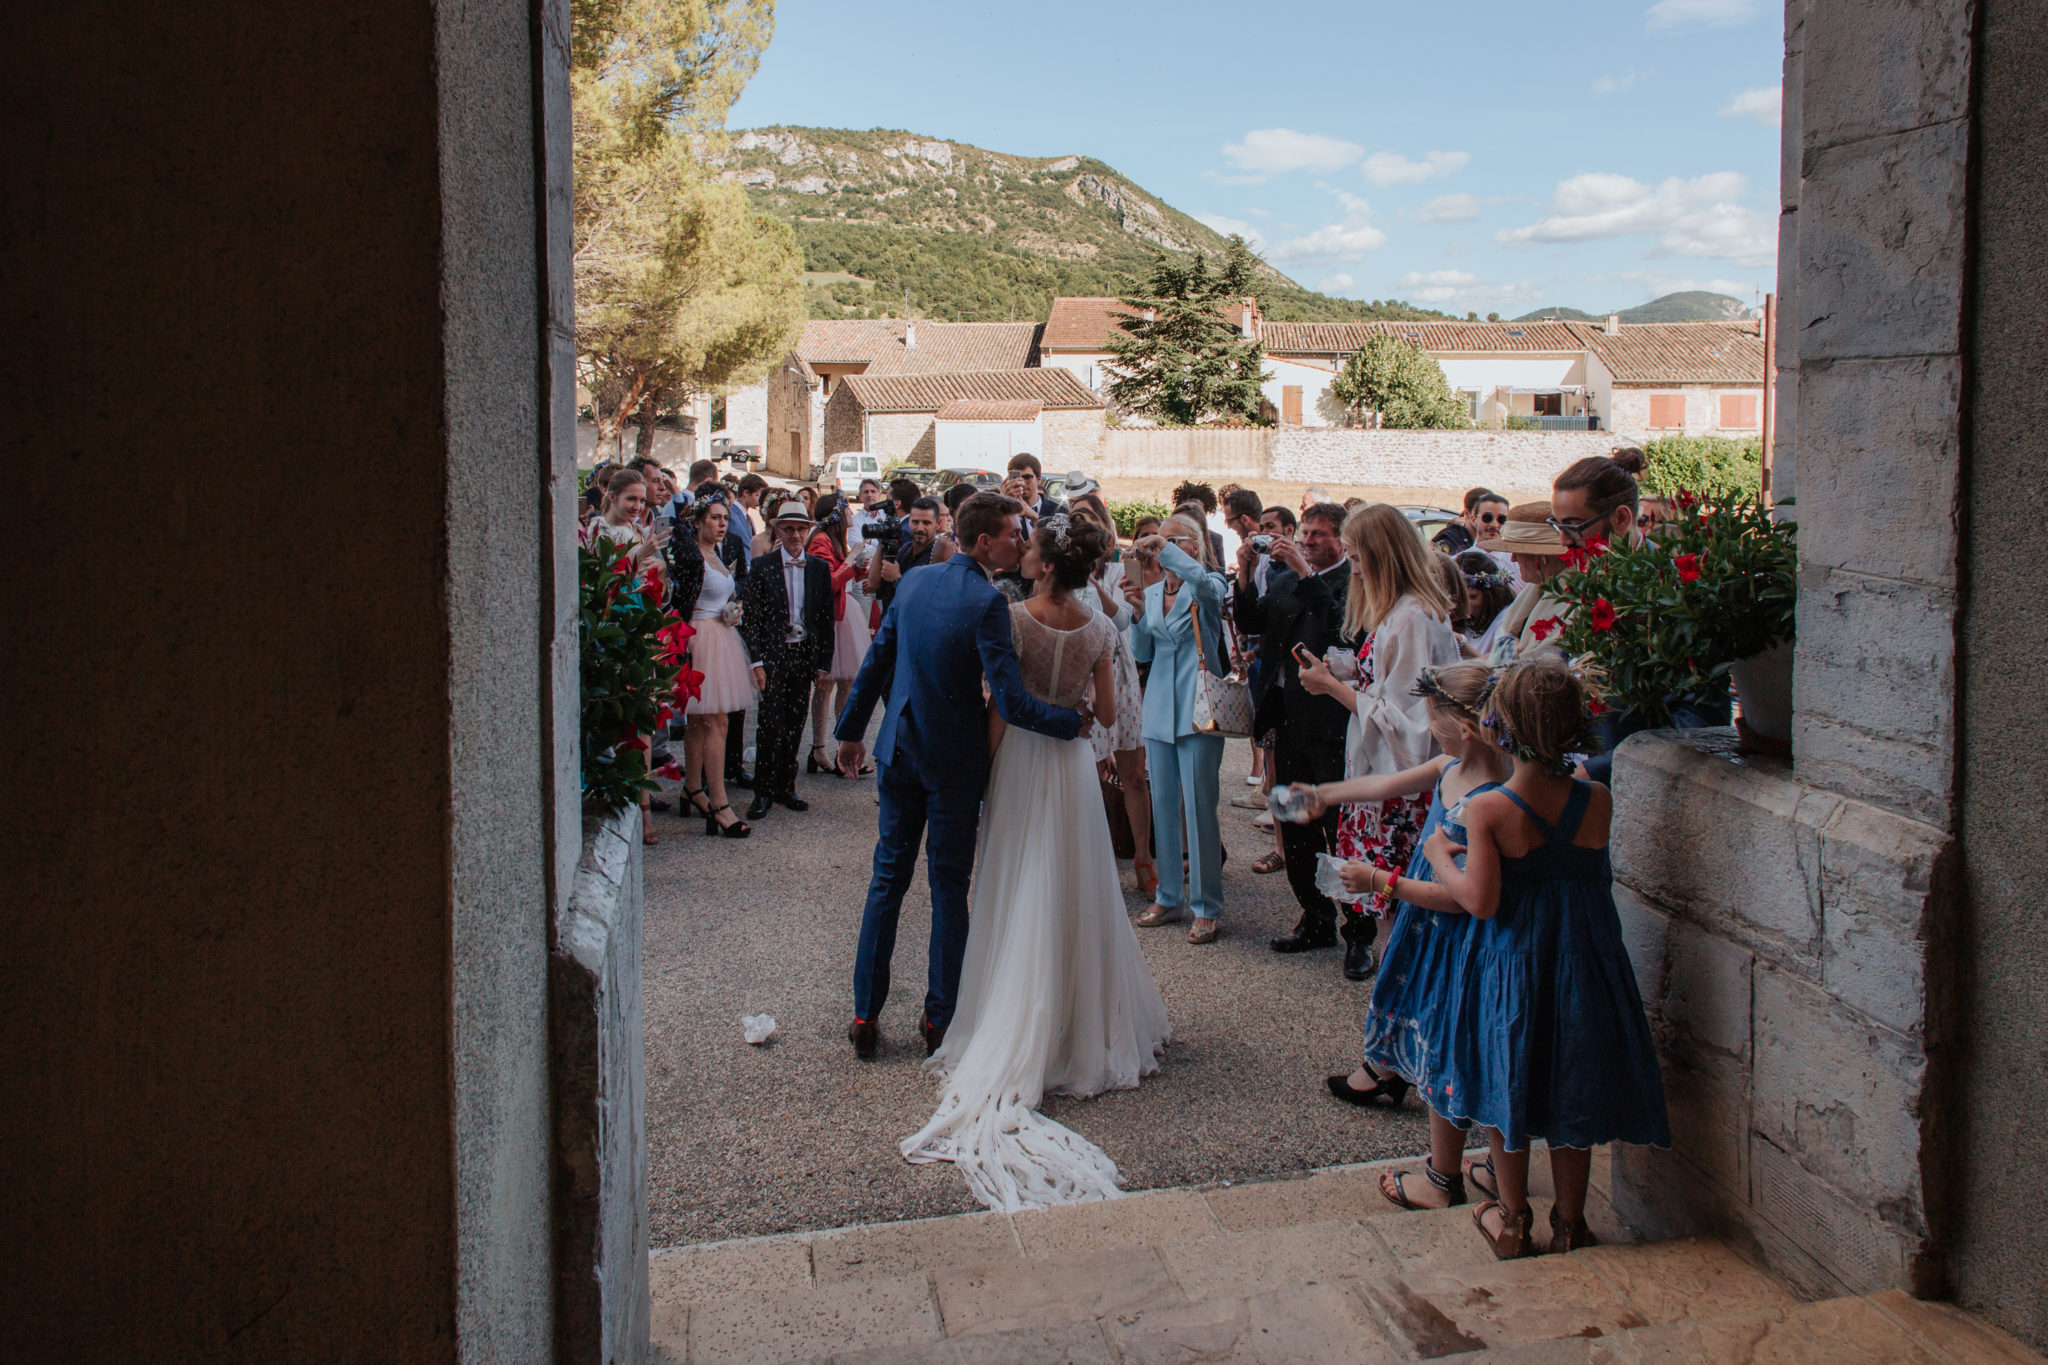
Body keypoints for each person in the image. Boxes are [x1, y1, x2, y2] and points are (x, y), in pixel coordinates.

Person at [901, 513, 1170, 1212]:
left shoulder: (1017, 619)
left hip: (1023, 759)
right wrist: (1080, 700)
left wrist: (987, 778)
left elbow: (1001, 711)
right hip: (1073, 765)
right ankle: (1080, 1026)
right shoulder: (1100, 629)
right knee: (1076, 889)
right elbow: (1107, 713)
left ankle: (1019, 1022)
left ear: (1047, 565)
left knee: (1018, 882)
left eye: (1031, 549)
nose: (1021, 554)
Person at [1417, 656, 1672, 1259]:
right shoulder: (1599, 799)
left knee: (1510, 1089)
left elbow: (1480, 900)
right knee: (1570, 1089)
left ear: (1502, 728)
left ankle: (1511, 1219)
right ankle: (1571, 1221)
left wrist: (1438, 857)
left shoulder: (1489, 810)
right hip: (1583, 961)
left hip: (1512, 964)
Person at [837, 493, 1089, 1060]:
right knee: (949, 889)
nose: (1021, 543)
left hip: (898, 749)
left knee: (886, 883)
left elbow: (879, 659)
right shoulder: (987, 602)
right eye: (1012, 535)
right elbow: (1013, 701)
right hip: (952, 764)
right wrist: (1070, 721)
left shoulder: (918, 582)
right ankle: (939, 1020)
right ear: (983, 543)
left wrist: (852, 731)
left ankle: (864, 1015)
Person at [1283, 664, 1513, 1216]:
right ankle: (1474, 1172)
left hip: (1459, 937)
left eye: (1435, 721)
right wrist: (1324, 794)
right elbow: (1385, 784)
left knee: (1452, 1047)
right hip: (1429, 926)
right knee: (1444, 1043)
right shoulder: (1451, 766)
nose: (1428, 730)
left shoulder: (1490, 793)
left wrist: (1380, 882)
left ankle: (1444, 1178)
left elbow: (1465, 898)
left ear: (1467, 728)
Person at [1296, 504, 1460, 979]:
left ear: (1383, 556)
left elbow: (1408, 724)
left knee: (1398, 908)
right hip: (1386, 776)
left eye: (1357, 558)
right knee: (1390, 909)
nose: (1354, 570)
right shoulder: (1401, 611)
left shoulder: (1411, 617)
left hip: (1401, 786)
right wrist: (1348, 671)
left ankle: (1396, 999)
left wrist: (1332, 687)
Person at [1549, 448, 1731, 781]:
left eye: (1574, 526)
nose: (1563, 540)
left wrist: (1596, 770)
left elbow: (1698, 725)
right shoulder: (1588, 582)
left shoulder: (1676, 597)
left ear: (1621, 518)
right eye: (1558, 525)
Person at [1235, 502, 1355, 957]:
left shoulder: (1351, 583)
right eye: (1305, 532)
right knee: (1296, 824)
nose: (1308, 539)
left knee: (1337, 828)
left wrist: (1308, 572)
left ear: (1341, 539)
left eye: (1319, 533)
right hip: (1285, 720)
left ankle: (1358, 931)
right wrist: (1245, 575)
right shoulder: (1283, 576)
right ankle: (1315, 916)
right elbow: (1251, 623)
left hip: (1330, 725)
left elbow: (1340, 633)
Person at [1127, 511, 1231, 943]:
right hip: (1159, 709)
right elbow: (1143, 651)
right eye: (1156, 541)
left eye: (1171, 541)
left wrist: (1162, 546)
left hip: (1199, 707)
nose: (1159, 547)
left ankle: (1206, 905)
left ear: (1194, 545)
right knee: (1164, 806)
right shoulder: (1154, 593)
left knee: (1199, 807)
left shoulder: (1209, 585)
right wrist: (1135, 614)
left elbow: (1207, 589)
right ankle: (1168, 895)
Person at [1068, 495, 1156, 895]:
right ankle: (1095, 865)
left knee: (1134, 773)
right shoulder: (1061, 571)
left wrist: (1089, 581)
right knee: (1089, 775)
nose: (1082, 527)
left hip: (1119, 672)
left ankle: (1142, 856)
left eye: (1087, 519)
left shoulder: (1124, 566)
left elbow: (1124, 619)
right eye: (1075, 521)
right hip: (1082, 677)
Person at [581, 466, 673, 842]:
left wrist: (659, 571)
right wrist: (641, 557)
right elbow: (601, 585)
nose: (637, 506)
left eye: (640, 499)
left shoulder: (637, 531)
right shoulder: (597, 532)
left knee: (642, 721)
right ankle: (617, 802)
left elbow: (654, 584)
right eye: (630, 499)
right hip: (612, 630)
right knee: (616, 719)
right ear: (612, 497)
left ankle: (642, 811)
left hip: (639, 625)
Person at [739, 501, 835, 821]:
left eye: (800, 529)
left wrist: (823, 664)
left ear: (808, 532)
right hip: (773, 654)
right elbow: (750, 618)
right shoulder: (763, 565)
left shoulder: (819, 569)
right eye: (789, 528)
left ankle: (785, 785)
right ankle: (763, 791)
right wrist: (756, 661)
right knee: (770, 724)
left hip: (803, 653)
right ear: (777, 530)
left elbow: (824, 619)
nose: (795, 534)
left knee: (795, 723)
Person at [668, 493, 756, 838]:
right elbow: (682, 599)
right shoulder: (690, 554)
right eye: (715, 518)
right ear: (699, 521)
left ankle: (693, 787)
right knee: (715, 720)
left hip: (722, 634)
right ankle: (719, 803)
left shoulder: (719, 553)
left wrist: (734, 611)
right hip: (699, 637)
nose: (722, 524)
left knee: (702, 721)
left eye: (724, 518)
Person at [805, 492, 872, 778]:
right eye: (846, 508)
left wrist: (860, 569)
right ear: (836, 513)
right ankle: (818, 748)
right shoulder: (820, 539)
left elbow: (844, 576)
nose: (851, 513)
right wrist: (853, 560)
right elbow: (827, 583)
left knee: (847, 683)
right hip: (831, 619)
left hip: (846, 614)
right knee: (825, 684)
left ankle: (842, 746)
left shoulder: (835, 539)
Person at [1477, 503, 1573, 661]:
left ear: (1540, 557)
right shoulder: (1535, 591)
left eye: (1517, 552)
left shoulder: (1571, 604)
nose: (1513, 558)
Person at [865, 496, 946, 608]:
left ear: (938, 524)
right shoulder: (904, 550)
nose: (920, 528)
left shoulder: (938, 555)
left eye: (926, 523)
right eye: (915, 522)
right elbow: (874, 582)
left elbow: (925, 600)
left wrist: (896, 578)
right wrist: (882, 541)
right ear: (908, 522)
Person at [1454, 550, 1518, 657]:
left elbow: (1498, 665)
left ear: (1490, 595)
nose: (1466, 604)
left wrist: (1463, 646)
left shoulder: (1505, 619)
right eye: (1460, 597)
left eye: (1473, 597)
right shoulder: (1462, 621)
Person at [1005, 452, 1063, 517]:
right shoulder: (1008, 511)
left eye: (1027, 477)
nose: (1022, 483)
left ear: (1038, 480)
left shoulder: (1059, 511)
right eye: (1016, 478)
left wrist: (1035, 517)